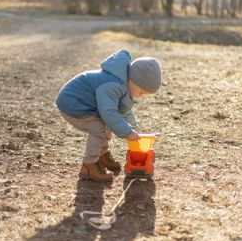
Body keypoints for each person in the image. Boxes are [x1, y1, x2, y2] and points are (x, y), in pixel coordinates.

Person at [55, 49, 162, 182]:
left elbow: (125, 111)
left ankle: (102, 154)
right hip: (73, 104)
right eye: (141, 92)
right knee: (99, 129)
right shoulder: (113, 84)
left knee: (105, 125)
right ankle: (89, 166)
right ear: (134, 80)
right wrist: (127, 132)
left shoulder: (123, 84)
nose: (140, 96)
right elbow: (108, 112)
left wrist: (135, 129)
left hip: (85, 105)